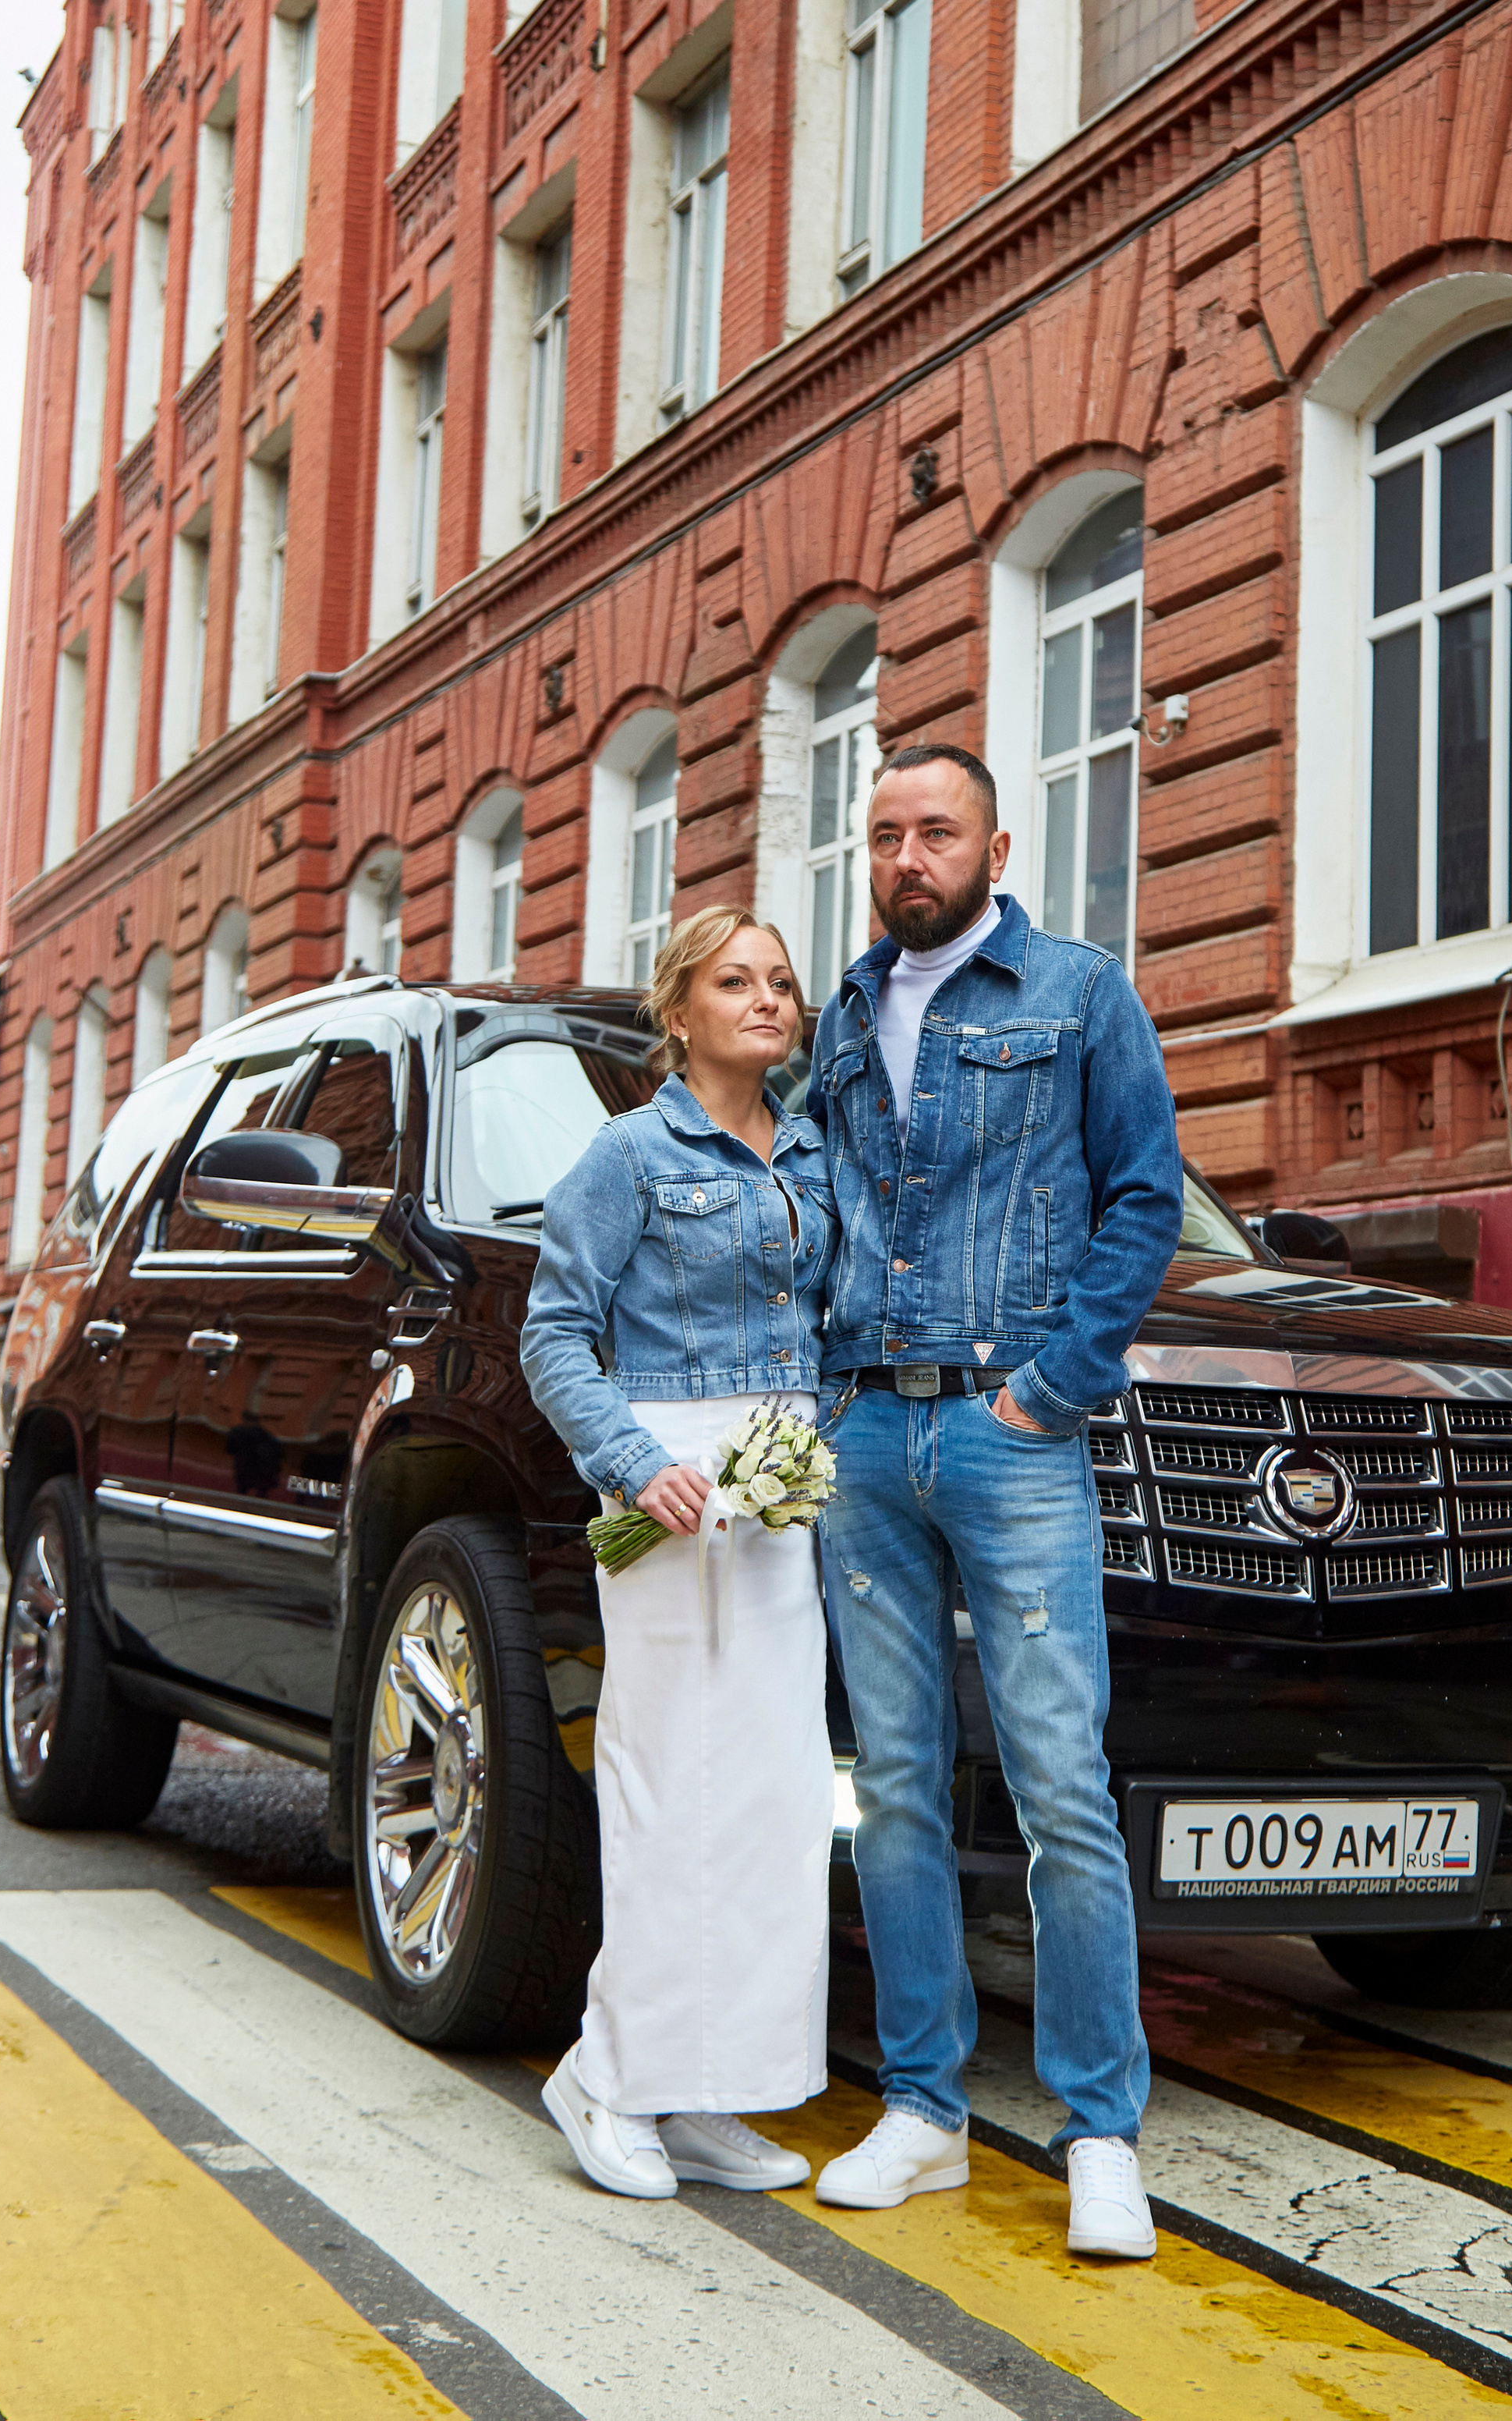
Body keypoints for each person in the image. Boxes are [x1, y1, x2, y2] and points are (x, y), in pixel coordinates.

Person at [807, 746, 1182, 2260]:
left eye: (935, 831)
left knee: (1056, 1790)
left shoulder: (1076, 992)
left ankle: (1098, 2132)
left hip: (1008, 1437)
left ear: (993, 845)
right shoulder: (840, 1011)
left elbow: (1142, 1193)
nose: (909, 856)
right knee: (893, 1783)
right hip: (862, 1440)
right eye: (885, 834)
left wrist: (1053, 1385)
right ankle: (924, 2113)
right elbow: (816, 1203)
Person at [520, 906, 835, 2202]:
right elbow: (552, 1336)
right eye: (734, 980)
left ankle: (712, 2093)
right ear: (679, 1010)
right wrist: (632, 1460)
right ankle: (607, 2076)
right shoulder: (629, 1156)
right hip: (670, 1488)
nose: (767, 998)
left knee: (771, 1803)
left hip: (783, 1488)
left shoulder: (812, 1151)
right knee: (663, 1787)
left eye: (781, 980)